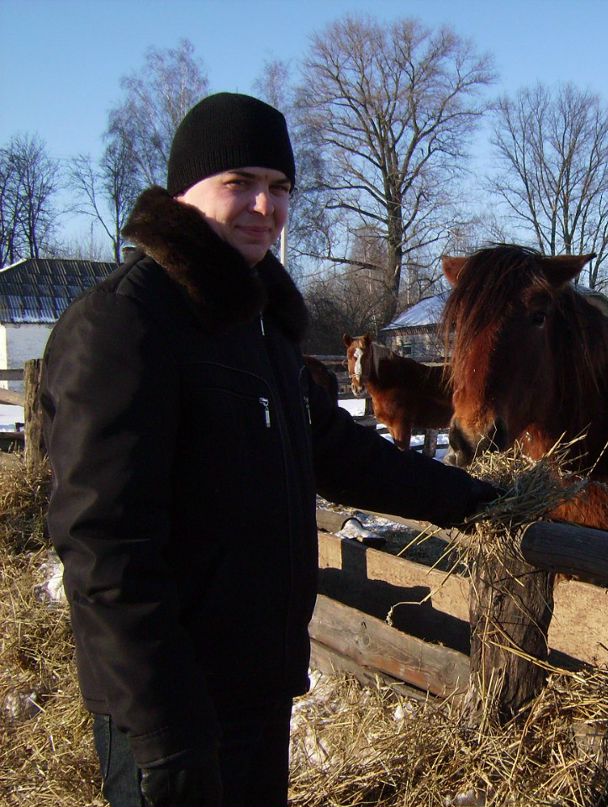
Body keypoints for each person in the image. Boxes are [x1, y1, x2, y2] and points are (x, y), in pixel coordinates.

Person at [40, 93, 497, 807]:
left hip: (256, 684)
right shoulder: (128, 323)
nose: (265, 205)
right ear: (185, 193)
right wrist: (164, 728)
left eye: (280, 188)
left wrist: (469, 496)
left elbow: (336, 450)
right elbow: (105, 543)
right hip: (173, 707)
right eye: (240, 183)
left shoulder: (259, 329)